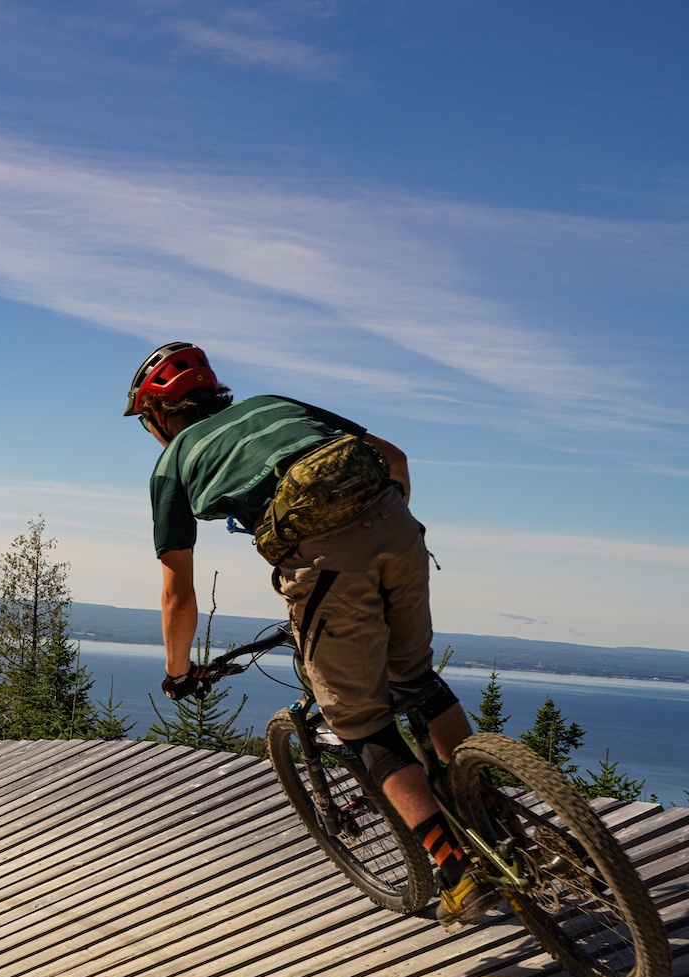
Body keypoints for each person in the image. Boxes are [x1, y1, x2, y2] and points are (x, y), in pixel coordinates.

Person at [125, 341, 495, 926]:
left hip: (325, 562)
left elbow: (178, 591)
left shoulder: (172, 463)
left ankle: (456, 872)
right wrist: (380, 525)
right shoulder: (273, 404)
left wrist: (178, 672)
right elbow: (393, 457)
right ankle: (493, 816)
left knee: (360, 722)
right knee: (415, 678)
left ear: (158, 418)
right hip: (398, 527)